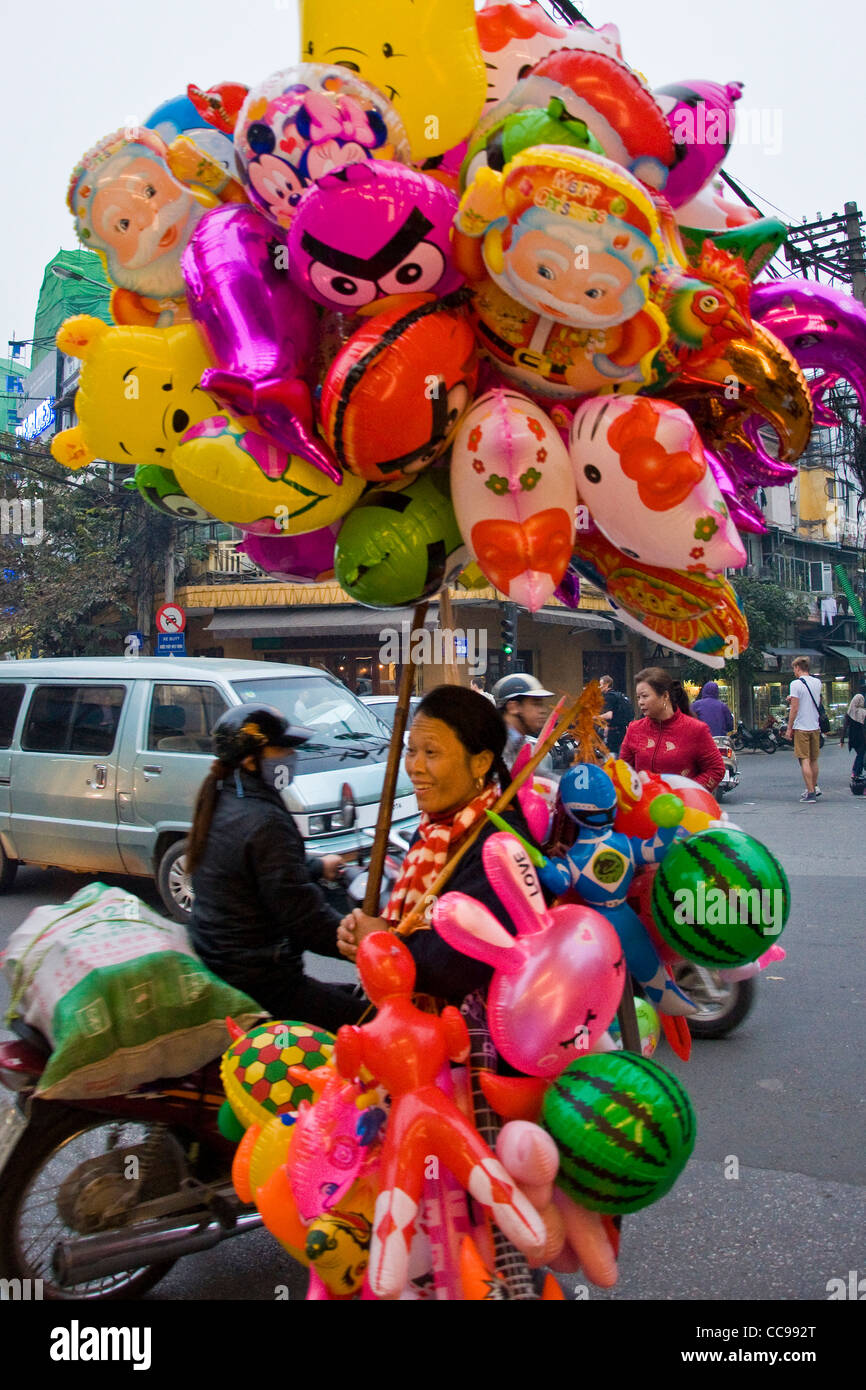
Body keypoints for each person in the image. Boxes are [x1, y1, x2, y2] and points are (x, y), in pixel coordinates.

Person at [337, 685, 541, 1005]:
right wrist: (362, 934)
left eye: (431, 753)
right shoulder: (435, 829)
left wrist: (380, 942)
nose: (415, 767)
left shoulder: (500, 847)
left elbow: (456, 967)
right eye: (411, 750)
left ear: (480, 763)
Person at [186, 703, 368, 1032]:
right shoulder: (264, 820)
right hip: (263, 983)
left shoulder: (224, 799)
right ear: (250, 759)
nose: (290, 756)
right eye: (281, 748)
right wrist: (364, 946)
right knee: (370, 1025)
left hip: (227, 966)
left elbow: (258, 872)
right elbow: (305, 919)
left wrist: (317, 866)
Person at [619, 667, 726, 791]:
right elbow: (624, 770)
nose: (640, 702)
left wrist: (687, 792)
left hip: (684, 807)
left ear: (665, 696)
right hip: (644, 807)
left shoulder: (696, 729)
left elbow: (716, 769)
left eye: (644, 696)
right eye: (638, 698)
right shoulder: (634, 729)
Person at [491, 672, 554, 771]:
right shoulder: (493, 746)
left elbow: (542, 779)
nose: (542, 710)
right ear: (513, 707)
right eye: (535, 704)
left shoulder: (526, 745)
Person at [784, 657, 823, 803]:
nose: (794, 671)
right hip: (815, 726)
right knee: (814, 759)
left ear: (798, 668)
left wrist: (789, 728)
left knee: (804, 759)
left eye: (794, 668)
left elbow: (794, 708)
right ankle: (814, 787)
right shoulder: (817, 682)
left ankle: (810, 792)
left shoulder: (795, 684)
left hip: (801, 727)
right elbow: (816, 702)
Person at [597, 674, 635, 755]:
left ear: (606, 685)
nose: (599, 687)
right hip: (622, 730)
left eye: (600, 685)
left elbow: (609, 715)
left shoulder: (609, 696)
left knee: (612, 754)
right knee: (620, 753)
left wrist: (594, 717)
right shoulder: (617, 695)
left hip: (614, 732)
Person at [842, 685, 866, 782]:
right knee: (861, 755)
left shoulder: (849, 712)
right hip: (862, 738)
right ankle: (855, 772)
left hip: (853, 738)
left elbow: (844, 727)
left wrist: (842, 739)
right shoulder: (864, 713)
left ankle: (857, 772)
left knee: (859, 754)